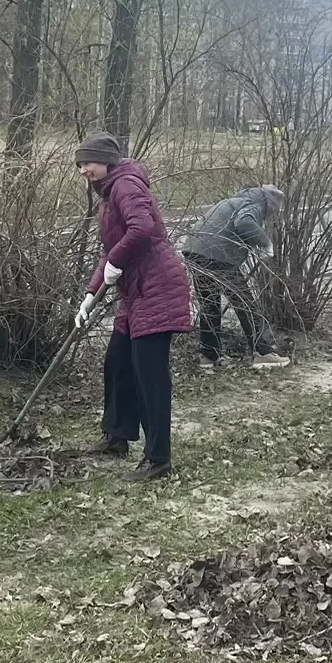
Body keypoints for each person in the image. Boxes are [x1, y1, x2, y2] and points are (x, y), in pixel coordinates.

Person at [73, 132, 191, 480]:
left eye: (88, 162)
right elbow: (110, 251)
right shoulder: (108, 194)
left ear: (106, 161)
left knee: (149, 374)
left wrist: (117, 261)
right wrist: (91, 294)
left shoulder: (126, 185)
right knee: (118, 362)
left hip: (157, 289)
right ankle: (117, 435)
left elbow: (142, 228)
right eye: (80, 164)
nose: (83, 170)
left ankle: (158, 459)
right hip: (135, 292)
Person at [182, 184, 289, 370]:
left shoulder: (233, 202)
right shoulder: (254, 204)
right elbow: (244, 223)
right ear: (269, 204)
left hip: (195, 252)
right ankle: (262, 353)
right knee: (245, 304)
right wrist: (265, 243)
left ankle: (209, 356)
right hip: (217, 256)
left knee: (209, 304)